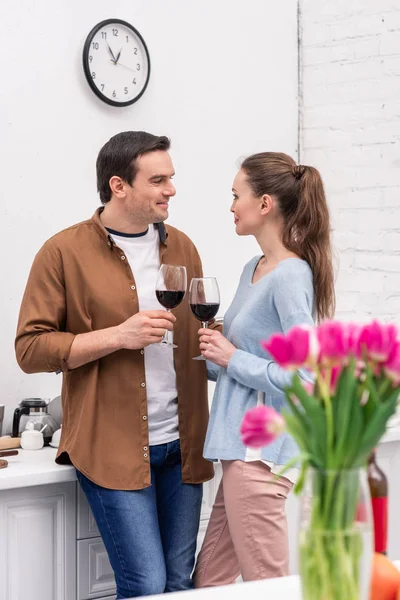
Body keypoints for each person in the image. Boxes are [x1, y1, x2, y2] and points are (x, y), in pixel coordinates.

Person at [15, 131, 215, 599]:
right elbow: (29, 349)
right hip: (111, 447)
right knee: (145, 585)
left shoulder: (182, 247)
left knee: (179, 585)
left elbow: (193, 332)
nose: (171, 189)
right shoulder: (62, 252)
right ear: (119, 185)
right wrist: (117, 337)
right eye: (158, 179)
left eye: (171, 178)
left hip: (182, 446)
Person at [194, 152, 335, 585]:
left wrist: (230, 357)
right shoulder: (252, 269)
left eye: (237, 195)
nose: (231, 205)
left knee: (268, 586)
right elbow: (236, 368)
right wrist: (203, 359)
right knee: (208, 584)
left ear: (265, 204)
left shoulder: (291, 276)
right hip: (237, 453)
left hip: (259, 458)